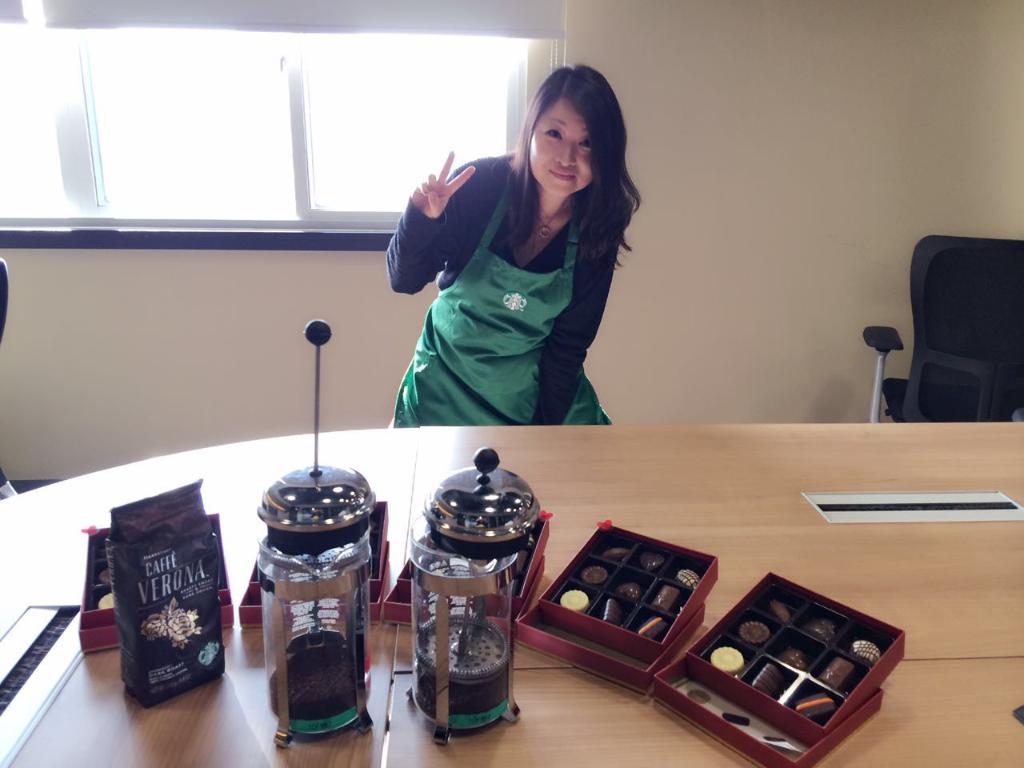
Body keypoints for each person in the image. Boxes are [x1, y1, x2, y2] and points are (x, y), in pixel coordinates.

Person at [387, 64, 640, 427]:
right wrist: (421, 219)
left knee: (598, 461)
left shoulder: (597, 224)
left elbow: (567, 348)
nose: (568, 158)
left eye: (587, 143)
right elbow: (404, 280)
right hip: (445, 388)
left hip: (530, 398)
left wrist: (540, 434)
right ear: (530, 130)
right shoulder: (480, 186)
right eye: (554, 134)